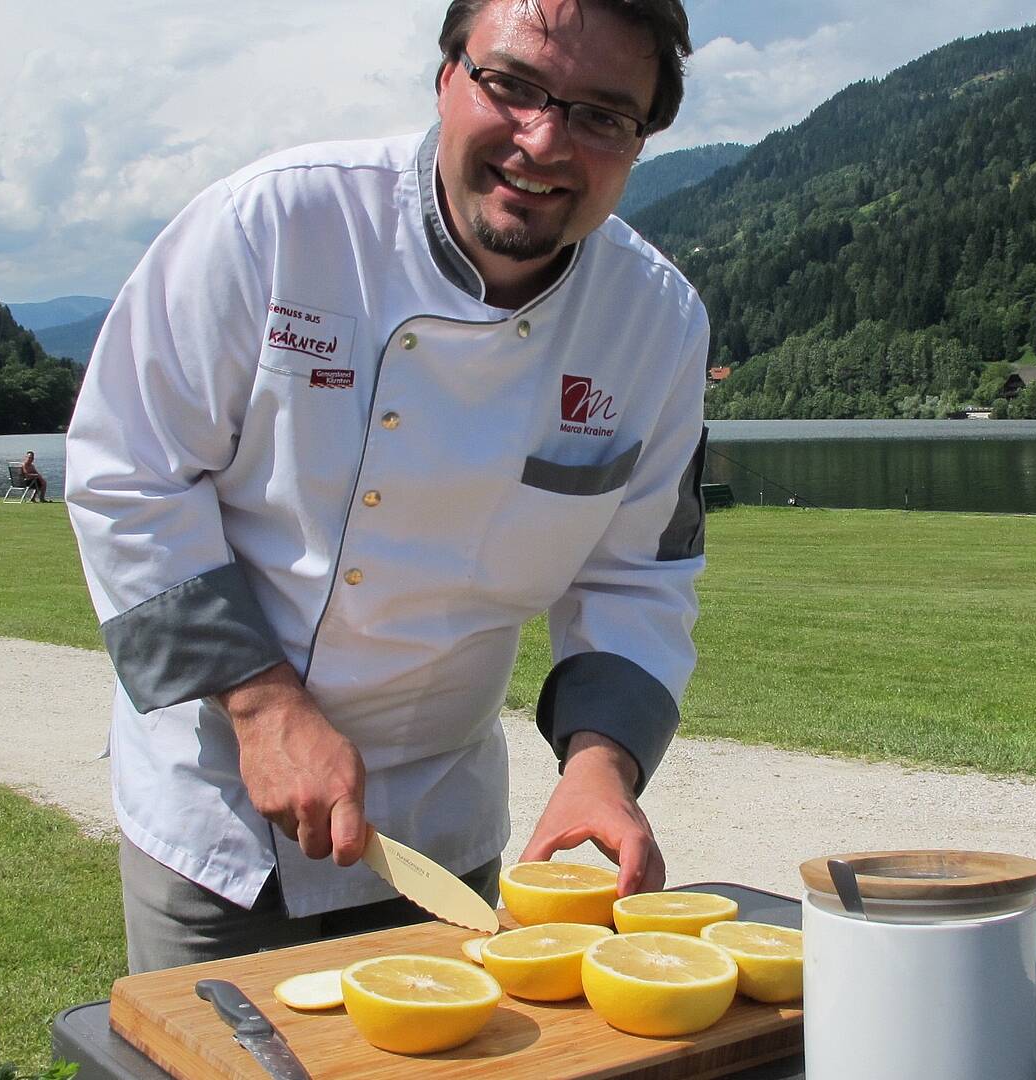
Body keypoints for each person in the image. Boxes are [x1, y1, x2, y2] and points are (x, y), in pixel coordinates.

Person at [66, 0, 707, 973]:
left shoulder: (655, 325)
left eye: (602, 114)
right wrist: (263, 706)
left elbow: (639, 576)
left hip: (440, 831)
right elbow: (128, 472)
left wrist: (601, 765)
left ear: (641, 138)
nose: (544, 140)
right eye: (515, 85)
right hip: (224, 817)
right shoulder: (273, 228)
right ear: (448, 71)